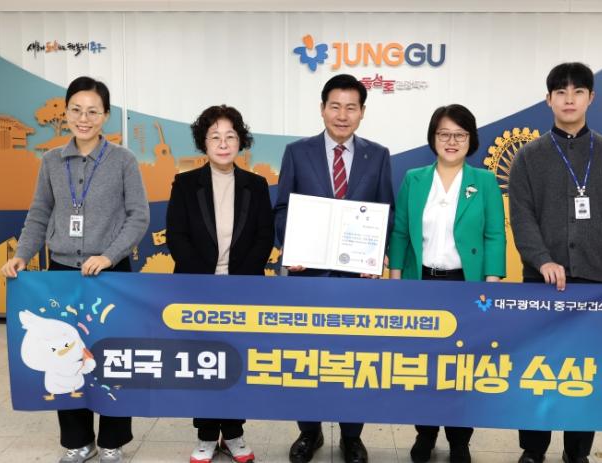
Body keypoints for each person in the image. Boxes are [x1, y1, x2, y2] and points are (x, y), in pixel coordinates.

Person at [0, 76, 150, 463]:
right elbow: (39, 213)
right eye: (77, 110)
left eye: (93, 112)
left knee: (112, 357)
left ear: (106, 115)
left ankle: (113, 440)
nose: (84, 119)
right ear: (66, 113)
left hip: (111, 274)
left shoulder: (123, 160)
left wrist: (109, 255)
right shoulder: (51, 161)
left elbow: (138, 216)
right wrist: (22, 254)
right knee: (62, 354)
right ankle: (78, 441)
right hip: (62, 272)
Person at [509, 62, 602, 463]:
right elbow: (521, 217)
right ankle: (533, 449)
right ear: (548, 100)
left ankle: (577, 452)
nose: (569, 99)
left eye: (577, 92)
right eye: (561, 92)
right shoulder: (528, 157)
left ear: (591, 98)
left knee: (585, 370)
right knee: (538, 369)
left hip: (597, 287)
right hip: (542, 283)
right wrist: (542, 260)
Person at [273, 74, 394, 463]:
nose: (343, 115)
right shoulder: (297, 152)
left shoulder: (378, 155)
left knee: (354, 359)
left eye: (351, 107)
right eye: (335, 106)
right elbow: (282, 209)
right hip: (308, 277)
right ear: (322, 108)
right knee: (306, 358)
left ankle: (351, 436)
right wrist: (291, 247)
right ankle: (309, 433)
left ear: (362, 112)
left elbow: (386, 212)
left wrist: (375, 256)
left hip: (357, 280)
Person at [388, 104, 506, 463]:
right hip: (421, 283)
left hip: (465, 286)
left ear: (470, 140)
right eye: (444, 134)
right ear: (433, 138)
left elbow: (494, 235)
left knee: (462, 367)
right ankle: (425, 434)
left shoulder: (484, 181)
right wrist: (396, 280)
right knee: (424, 366)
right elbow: (400, 232)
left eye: (459, 134)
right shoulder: (414, 179)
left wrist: (491, 283)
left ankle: (459, 440)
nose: (451, 141)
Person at [166, 104, 273, 463]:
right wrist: (208, 282)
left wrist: (236, 282)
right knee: (204, 363)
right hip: (198, 289)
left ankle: (235, 433)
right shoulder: (185, 184)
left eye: (230, 136)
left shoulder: (256, 185)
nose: (223, 144)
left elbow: (264, 236)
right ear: (204, 143)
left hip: (243, 288)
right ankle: (207, 435)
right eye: (215, 137)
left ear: (241, 141)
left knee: (237, 361)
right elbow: (177, 237)